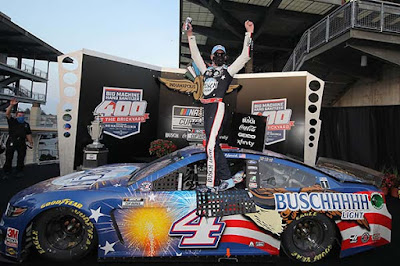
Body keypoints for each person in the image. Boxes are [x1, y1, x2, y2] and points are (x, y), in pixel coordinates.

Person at [184, 19, 254, 191]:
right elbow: (195, 56)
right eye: (217, 53)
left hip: (217, 107)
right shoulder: (206, 71)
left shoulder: (228, 71)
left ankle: (209, 184)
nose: (220, 56)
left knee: (209, 145)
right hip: (207, 108)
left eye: (223, 53)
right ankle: (226, 180)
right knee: (212, 145)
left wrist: (248, 33)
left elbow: (245, 56)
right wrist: (190, 35)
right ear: (212, 56)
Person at [2, 98, 33, 179]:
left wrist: (31, 142)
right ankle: (7, 172)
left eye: (22, 116)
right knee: (9, 157)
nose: (21, 117)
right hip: (12, 140)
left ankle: (19, 171)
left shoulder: (26, 124)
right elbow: (7, 114)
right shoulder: (12, 121)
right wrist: (11, 105)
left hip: (22, 142)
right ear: (16, 116)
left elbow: (28, 133)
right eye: (19, 116)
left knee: (21, 157)